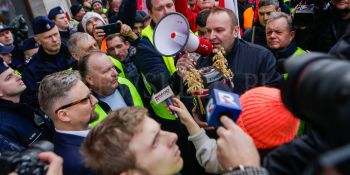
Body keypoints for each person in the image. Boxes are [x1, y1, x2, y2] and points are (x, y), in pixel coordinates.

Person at [180, 7, 282, 95]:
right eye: (208, 31)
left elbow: (274, 98)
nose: (211, 37)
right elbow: (187, 97)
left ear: (235, 31)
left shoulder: (261, 57)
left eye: (219, 30)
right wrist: (181, 76)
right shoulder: (201, 59)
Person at [38, 70, 97, 175]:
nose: (95, 100)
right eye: (85, 100)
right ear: (64, 115)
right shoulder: (81, 164)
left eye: (91, 94)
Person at [0, 60, 53, 152]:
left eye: (14, 73)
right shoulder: (4, 127)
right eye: (9, 77)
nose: (18, 77)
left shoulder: (29, 102)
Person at [78, 51, 143, 125]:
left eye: (113, 67)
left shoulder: (125, 82)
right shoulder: (86, 110)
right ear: (90, 79)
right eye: (106, 71)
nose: (115, 73)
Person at [22, 16, 75, 108]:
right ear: (38, 41)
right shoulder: (32, 68)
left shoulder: (73, 52)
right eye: (48, 37)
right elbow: (32, 99)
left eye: (56, 34)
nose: (54, 40)